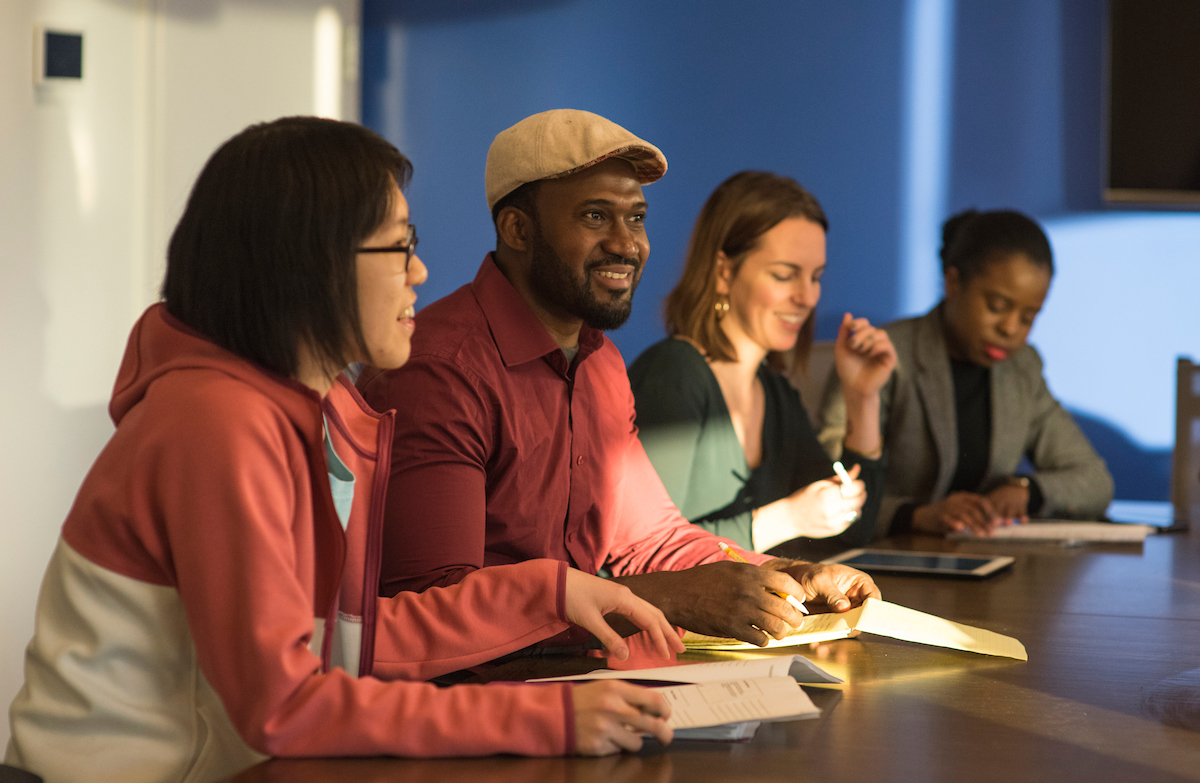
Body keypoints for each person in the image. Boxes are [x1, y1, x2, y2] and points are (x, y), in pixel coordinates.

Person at [4, 117, 686, 783]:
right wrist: (545, 716)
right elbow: (286, 706)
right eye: (398, 247)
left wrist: (549, 592)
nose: (418, 271)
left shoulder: (306, 408)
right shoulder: (215, 422)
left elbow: (342, 643)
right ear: (314, 261)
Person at [359, 109, 880, 649]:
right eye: (593, 216)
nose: (626, 244)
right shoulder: (441, 367)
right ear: (517, 229)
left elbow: (652, 541)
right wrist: (669, 599)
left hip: (581, 679)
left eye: (636, 218)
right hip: (472, 699)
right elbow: (433, 610)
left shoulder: (601, 361)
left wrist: (788, 577)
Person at [628, 171, 897, 554]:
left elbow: (853, 532)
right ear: (724, 272)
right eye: (785, 275)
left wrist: (863, 397)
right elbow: (642, 550)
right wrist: (787, 518)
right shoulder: (674, 374)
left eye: (815, 277)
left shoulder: (776, 393)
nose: (807, 297)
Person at [818, 209, 1114, 537]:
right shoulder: (883, 358)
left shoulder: (1022, 369)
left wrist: (1028, 491)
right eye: (997, 306)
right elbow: (823, 485)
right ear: (953, 282)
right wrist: (916, 516)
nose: (1010, 328)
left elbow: (1095, 481)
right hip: (883, 562)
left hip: (978, 561)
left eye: (1028, 317)